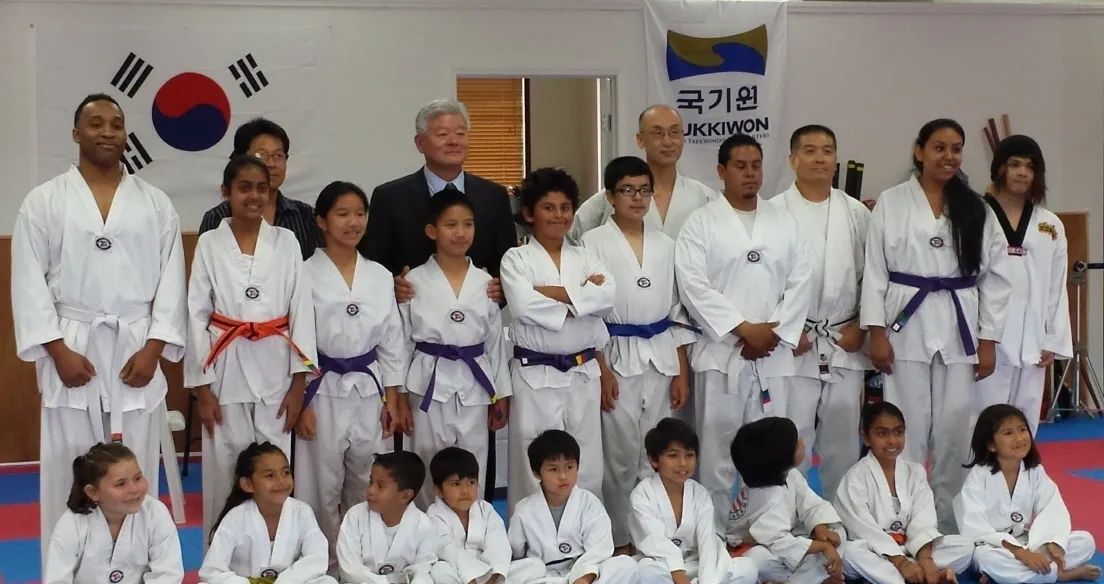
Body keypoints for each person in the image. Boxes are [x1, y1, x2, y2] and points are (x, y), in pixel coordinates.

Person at [13, 93, 187, 555]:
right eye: (95, 124)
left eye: (115, 124)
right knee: (69, 459)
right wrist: (56, 349)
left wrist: (155, 349)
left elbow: (172, 279)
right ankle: (69, 564)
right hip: (72, 340)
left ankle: (132, 562)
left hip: (135, 342)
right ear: (76, 133)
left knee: (134, 462)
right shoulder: (43, 201)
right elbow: (29, 281)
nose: (107, 132)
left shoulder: (154, 203)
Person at [862, 118, 1011, 533]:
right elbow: (874, 271)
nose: (949, 156)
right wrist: (876, 331)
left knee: (956, 428)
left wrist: (988, 340)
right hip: (904, 323)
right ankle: (907, 519)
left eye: (956, 149)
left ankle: (949, 522)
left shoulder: (976, 208)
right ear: (920, 151)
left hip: (958, 324)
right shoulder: (892, 202)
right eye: (940, 148)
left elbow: (995, 279)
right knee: (904, 426)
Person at [674, 134, 812, 528]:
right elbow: (693, 286)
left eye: (756, 165)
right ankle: (716, 533)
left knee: (773, 450)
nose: (750, 174)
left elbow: (801, 281)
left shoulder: (784, 222)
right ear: (721, 171)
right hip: (723, 354)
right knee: (718, 451)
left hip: (773, 353)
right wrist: (742, 329)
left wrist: (772, 333)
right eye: (740, 166)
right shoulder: (700, 224)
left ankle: (768, 529)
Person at [185, 156, 316, 538]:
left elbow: (301, 309)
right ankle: (221, 566)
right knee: (225, 468)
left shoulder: (286, 241)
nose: (254, 195)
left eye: (261, 188)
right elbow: (196, 313)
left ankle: (276, 558)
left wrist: (299, 385)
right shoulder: (209, 243)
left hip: (276, 369)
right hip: (224, 370)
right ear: (226, 192)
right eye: (244, 187)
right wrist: (201, 389)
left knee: (276, 470)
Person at [581, 156, 695, 551]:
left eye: (644, 190)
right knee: (620, 456)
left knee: (658, 452)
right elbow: (590, 313)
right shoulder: (592, 243)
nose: (637, 198)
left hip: (661, 354)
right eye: (627, 190)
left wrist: (681, 371)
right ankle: (617, 538)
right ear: (610, 196)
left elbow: (678, 312)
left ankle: (656, 537)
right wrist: (601, 369)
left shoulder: (667, 245)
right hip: (615, 354)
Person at [294, 181, 406, 566]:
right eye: (342, 214)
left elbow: (392, 339)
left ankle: (365, 562)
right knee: (320, 486)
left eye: (360, 213)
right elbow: (299, 340)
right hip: (321, 389)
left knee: (370, 482)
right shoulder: (303, 272)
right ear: (321, 221)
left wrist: (394, 397)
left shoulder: (378, 274)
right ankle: (322, 564)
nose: (353, 222)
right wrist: (303, 400)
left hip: (369, 387)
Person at [500, 168, 616, 512]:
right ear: (529, 213)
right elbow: (523, 305)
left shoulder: (587, 256)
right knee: (532, 460)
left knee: (587, 460)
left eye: (565, 207)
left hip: (583, 370)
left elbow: (606, 296)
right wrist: (581, 297)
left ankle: (588, 538)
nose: (559, 215)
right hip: (535, 373)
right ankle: (530, 542)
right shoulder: (515, 259)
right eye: (548, 208)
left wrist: (549, 293)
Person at [768, 125, 870, 500]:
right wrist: (785, 330)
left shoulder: (856, 213)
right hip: (794, 339)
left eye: (827, 150)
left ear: (837, 159)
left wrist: (862, 324)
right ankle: (788, 511)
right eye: (810, 151)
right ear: (793, 159)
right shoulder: (773, 212)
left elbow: (871, 277)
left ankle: (841, 514)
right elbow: (764, 281)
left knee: (842, 436)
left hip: (844, 337)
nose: (820, 158)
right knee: (792, 433)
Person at [400, 189, 513, 507]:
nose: (461, 232)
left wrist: (500, 394)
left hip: (475, 384)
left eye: (468, 224)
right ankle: (426, 539)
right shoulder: (414, 283)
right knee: (426, 461)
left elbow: (494, 342)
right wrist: (396, 394)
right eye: (451, 224)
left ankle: (469, 538)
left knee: (472, 462)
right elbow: (403, 341)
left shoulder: (485, 282)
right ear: (432, 231)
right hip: (427, 383)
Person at [359, 98, 516, 297]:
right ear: (420, 143)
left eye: (460, 133)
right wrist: (391, 286)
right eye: (442, 134)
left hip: (478, 312)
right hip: (412, 314)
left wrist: (501, 289)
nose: (453, 141)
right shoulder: (389, 197)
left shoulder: (494, 196)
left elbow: (507, 261)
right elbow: (374, 262)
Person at [974, 136, 1072, 434]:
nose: (1022, 172)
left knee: (1026, 423)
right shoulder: (977, 216)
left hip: (1033, 341)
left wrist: (1053, 339)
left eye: (1030, 167)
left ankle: (1023, 481)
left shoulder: (1051, 224)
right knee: (982, 422)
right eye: (1014, 164)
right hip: (989, 339)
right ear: (1000, 168)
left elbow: (1057, 286)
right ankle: (978, 482)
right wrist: (976, 338)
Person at [954, 404, 1100, 584]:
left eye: (1022, 430)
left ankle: (1023, 575)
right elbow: (975, 528)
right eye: (1008, 433)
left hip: (1028, 541)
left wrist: (1051, 543)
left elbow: (1051, 508)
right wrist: (1019, 552)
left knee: (1086, 541)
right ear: (991, 444)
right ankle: (1058, 574)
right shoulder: (978, 477)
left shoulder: (1034, 471)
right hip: (995, 547)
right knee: (986, 558)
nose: (1019, 438)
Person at [834, 402, 973, 584]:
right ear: (866, 437)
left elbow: (923, 520)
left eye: (898, 432)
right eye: (882, 433)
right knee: (851, 554)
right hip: (878, 553)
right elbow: (863, 530)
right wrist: (901, 562)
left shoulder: (914, 472)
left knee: (965, 546)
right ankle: (917, 578)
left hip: (912, 549)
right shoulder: (854, 478)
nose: (892, 440)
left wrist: (926, 560)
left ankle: (911, 575)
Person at [630, 418, 758, 584]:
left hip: (694, 563)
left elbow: (707, 541)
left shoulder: (700, 493)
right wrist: (678, 574)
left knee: (747, 568)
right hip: (661, 565)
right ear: (654, 460)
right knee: (645, 572)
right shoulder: (642, 494)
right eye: (673, 456)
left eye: (689, 455)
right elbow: (653, 541)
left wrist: (707, 580)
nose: (682, 463)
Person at [570, 104, 717, 243]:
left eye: (674, 132)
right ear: (640, 140)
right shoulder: (612, 197)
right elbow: (570, 237)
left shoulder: (704, 197)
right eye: (658, 133)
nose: (667, 141)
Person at [508, 429, 639, 584]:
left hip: (583, 574)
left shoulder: (589, 503)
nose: (563, 476)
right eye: (553, 469)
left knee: (626, 564)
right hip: (544, 578)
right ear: (537, 473)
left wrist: (583, 578)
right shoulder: (524, 510)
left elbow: (599, 550)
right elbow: (515, 555)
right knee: (524, 570)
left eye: (569, 467)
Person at [727, 417, 846, 584]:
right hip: (758, 548)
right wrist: (823, 547)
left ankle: (800, 580)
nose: (803, 442)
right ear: (782, 458)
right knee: (756, 559)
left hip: (786, 547)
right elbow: (779, 543)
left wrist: (820, 529)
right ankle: (808, 580)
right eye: (797, 443)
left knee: (837, 533)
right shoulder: (765, 496)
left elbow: (811, 504)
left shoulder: (790, 475)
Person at [45, 443, 183, 584]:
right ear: (93, 492)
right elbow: (57, 580)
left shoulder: (155, 513)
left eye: (137, 478)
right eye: (120, 484)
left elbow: (168, 574)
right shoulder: (72, 525)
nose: (134, 489)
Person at [200, 442, 335, 584]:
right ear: (248, 484)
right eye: (270, 476)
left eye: (286, 473)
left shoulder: (302, 512)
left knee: (328, 582)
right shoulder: (235, 518)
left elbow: (316, 557)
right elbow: (212, 571)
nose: (281, 481)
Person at [198, 117, 321, 259]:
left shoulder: (305, 215)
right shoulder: (217, 217)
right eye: (261, 155)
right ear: (241, 159)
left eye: (278, 156)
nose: (271, 164)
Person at [336, 451, 443, 584]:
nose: (371, 490)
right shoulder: (355, 516)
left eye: (380, 486)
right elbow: (350, 569)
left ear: (405, 496)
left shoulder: (424, 525)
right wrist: (386, 582)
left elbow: (422, 569)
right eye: (371, 482)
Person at [427, 447, 512, 584]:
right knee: (439, 571)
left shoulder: (485, 509)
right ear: (438, 490)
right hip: (456, 570)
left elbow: (499, 543)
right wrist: (474, 578)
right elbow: (448, 550)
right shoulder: (434, 515)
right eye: (456, 484)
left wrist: (494, 575)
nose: (465, 491)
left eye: (471, 483)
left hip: (489, 571)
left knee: (535, 565)